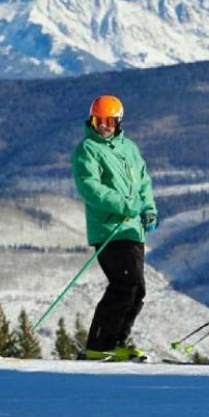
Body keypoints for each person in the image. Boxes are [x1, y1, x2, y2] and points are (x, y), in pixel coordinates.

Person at [71, 94, 158, 362]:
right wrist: (126, 205)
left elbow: (143, 182)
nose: (103, 126)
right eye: (99, 121)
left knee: (137, 290)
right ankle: (99, 344)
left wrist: (148, 208)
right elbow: (91, 188)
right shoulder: (87, 149)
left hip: (132, 230)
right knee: (125, 285)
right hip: (109, 230)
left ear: (118, 122)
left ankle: (117, 342)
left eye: (109, 121)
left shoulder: (128, 148)